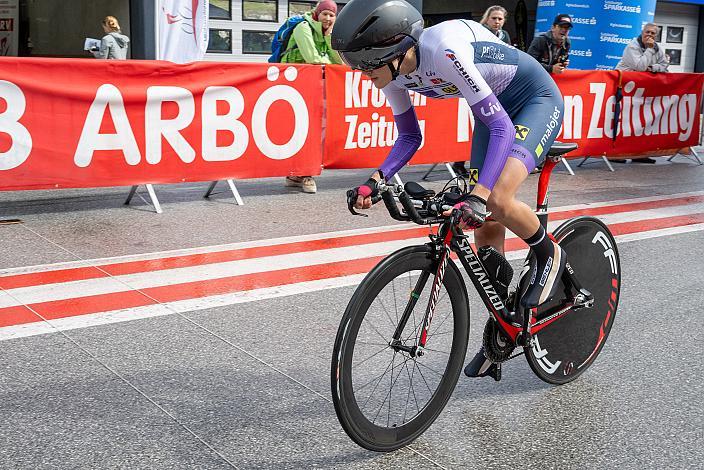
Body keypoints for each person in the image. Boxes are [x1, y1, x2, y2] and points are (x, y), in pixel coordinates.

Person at [333, 0, 567, 378]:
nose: (363, 74)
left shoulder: (443, 51)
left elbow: (505, 129)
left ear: (393, 50)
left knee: (495, 199)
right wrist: (376, 180)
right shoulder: (392, 74)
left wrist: (477, 195)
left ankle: (548, 254)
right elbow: (410, 137)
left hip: (533, 101)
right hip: (492, 113)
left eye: (366, 64)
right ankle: (504, 325)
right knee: (485, 231)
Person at [281, 0, 342, 194]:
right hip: (295, 84)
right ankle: (305, 173)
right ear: (317, 13)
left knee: (313, 128)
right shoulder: (303, 27)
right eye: (325, 14)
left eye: (332, 15)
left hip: (316, 86)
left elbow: (339, 60)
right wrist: (334, 65)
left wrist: (331, 36)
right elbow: (312, 58)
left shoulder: (328, 32)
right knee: (305, 128)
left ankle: (295, 174)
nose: (328, 18)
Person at [614, 23, 669, 164]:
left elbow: (665, 65)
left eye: (653, 34)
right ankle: (614, 153)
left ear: (656, 36)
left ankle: (638, 153)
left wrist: (653, 67)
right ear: (642, 32)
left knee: (641, 121)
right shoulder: (632, 46)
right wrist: (650, 51)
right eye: (647, 32)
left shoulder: (657, 48)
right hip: (624, 87)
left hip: (642, 90)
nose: (649, 36)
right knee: (622, 121)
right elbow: (640, 67)